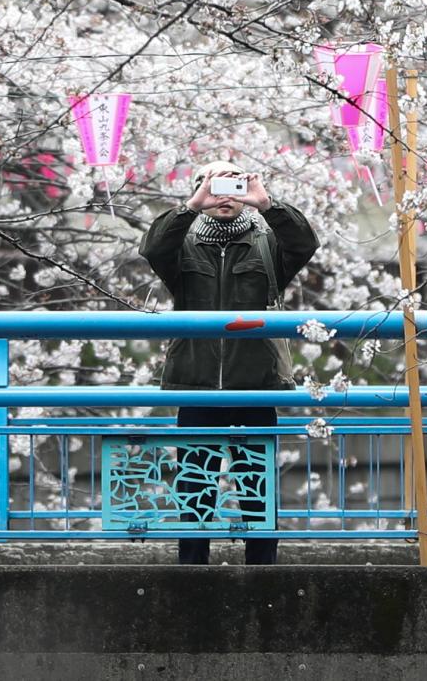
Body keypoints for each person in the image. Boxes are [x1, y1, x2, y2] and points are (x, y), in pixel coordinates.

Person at [137, 159, 320, 564]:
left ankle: (262, 570)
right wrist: (191, 206)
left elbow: (305, 244)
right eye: (215, 182)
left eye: (235, 183)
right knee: (194, 488)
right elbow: (152, 248)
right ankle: (192, 572)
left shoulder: (267, 244)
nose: (225, 194)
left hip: (254, 383)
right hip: (195, 383)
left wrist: (267, 205)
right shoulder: (184, 245)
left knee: (257, 485)